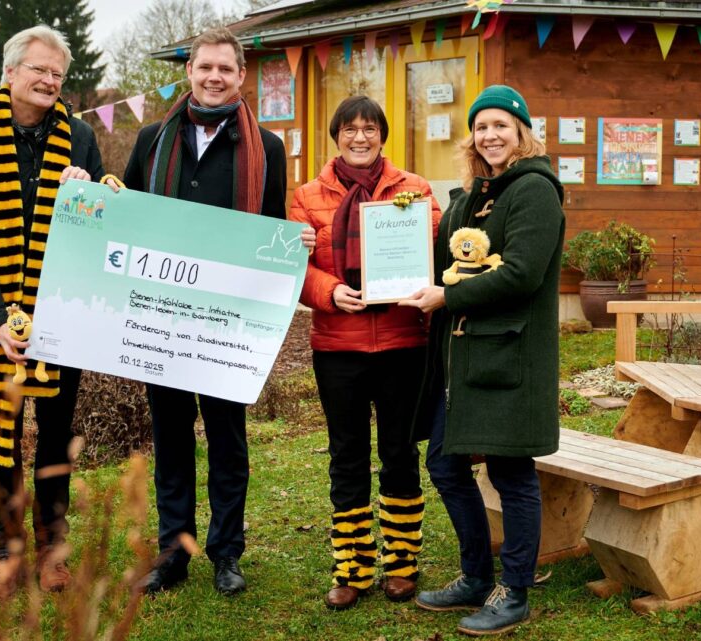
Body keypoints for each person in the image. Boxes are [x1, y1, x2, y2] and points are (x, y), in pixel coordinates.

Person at [0, 25, 120, 599]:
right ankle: (7, 548)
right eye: (40, 71)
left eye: (58, 76)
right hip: (0, 323)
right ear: (10, 74)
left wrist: (89, 188)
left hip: (61, 314)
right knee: (1, 432)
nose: (50, 82)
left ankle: (53, 546)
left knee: (54, 432)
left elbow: (100, 221)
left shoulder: (81, 138)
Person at [122, 26, 288, 597]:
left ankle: (226, 552)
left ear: (241, 77)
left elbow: (270, 233)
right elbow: (125, 214)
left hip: (227, 323)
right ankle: (174, 553)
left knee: (227, 438)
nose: (214, 77)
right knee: (170, 437)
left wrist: (292, 252)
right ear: (188, 71)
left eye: (225, 69)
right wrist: (87, 189)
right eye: (204, 67)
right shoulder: (151, 140)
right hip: (162, 317)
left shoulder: (266, 148)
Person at [401, 85, 565, 636]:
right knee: (445, 464)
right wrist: (403, 219)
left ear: (522, 131)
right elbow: (446, 253)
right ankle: (475, 576)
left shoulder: (535, 190)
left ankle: (514, 590)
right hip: (466, 358)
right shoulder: (475, 192)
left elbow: (522, 274)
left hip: (510, 357)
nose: (490, 135)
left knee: (511, 471)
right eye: (481, 126)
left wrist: (447, 299)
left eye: (501, 124)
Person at [289, 96, 442, 610]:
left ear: (383, 135)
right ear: (336, 135)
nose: (360, 137)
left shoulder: (414, 190)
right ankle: (351, 567)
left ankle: (402, 565)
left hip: (403, 343)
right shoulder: (307, 196)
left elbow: (436, 250)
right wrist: (327, 291)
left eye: (370, 129)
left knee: (400, 452)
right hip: (338, 347)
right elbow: (294, 266)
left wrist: (420, 257)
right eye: (350, 128)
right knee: (347, 455)